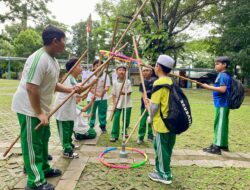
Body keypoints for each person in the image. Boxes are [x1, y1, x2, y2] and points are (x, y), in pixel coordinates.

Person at [11, 25, 77, 190]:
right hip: (29, 108)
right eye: (63, 41)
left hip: (40, 108)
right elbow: (31, 87)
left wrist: (71, 89)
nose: (64, 44)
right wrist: (39, 112)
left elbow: (52, 84)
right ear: (55, 41)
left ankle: (43, 170)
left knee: (43, 139)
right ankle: (35, 181)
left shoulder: (52, 60)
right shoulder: (39, 58)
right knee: (33, 144)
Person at [54, 58, 96, 159]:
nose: (81, 68)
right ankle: (66, 150)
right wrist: (91, 83)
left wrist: (84, 94)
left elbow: (77, 93)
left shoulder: (72, 79)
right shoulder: (68, 78)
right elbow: (77, 90)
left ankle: (69, 144)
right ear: (72, 68)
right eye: (79, 66)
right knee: (65, 129)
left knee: (69, 127)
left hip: (69, 108)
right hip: (62, 109)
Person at [147, 55, 176, 185]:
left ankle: (164, 175)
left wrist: (150, 117)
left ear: (158, 67)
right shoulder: (171, 81)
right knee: (167, 148)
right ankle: (161, 169)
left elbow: (154, 106)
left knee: (160, 148)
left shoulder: (158, 82)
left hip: (162, 123)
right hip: (173, 122)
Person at [202, 56, 231, 155]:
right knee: (221, 124)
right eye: (215, 63)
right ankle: (222, 144)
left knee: (219, 125)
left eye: (218, 63)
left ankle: (217, 147)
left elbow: (223, 89)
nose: (216, 65)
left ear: (224, 65)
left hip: (223, 104)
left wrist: (208, 87)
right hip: (221, 104)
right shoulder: (222, 75)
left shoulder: (223, 75)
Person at [87, 60, 110, 133]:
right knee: (91, 112)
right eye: (97, 65)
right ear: (94, 66)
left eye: (101, 65)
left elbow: (107, 87)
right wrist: (97, 94)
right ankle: (90, 126)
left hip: (103, 97)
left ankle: (103, 126)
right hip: (92, 97)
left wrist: (103, 91)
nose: (99, 67)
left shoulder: (106, 75)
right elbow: (89, 87)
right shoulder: (89, 75)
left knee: (102, 112)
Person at [110, 64, 132, 142]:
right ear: (116, 72)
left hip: (127, 103)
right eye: (120, 70)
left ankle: (124, 131)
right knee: (116, 118)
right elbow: (113, 94)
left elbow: (129, 93)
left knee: (126, 119)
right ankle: (114, 134)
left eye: (123, 70)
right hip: (118, 103)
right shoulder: (115, 82)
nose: (121, 72)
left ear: (125, 72)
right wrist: (114, 103)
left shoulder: (128, 81)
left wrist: (123, 92)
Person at [137, 66, 156, 144]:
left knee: (152, 120)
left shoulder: (155, 80)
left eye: (147, 70)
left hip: (153, 103)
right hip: (144, 104)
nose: (145, 72)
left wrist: (151, 102)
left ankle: (150, 136)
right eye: (144, 71)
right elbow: (142, 93)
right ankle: (140, 137)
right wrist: (145, 102)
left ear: (151, 72)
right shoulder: (142, 81)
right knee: (142, 121)